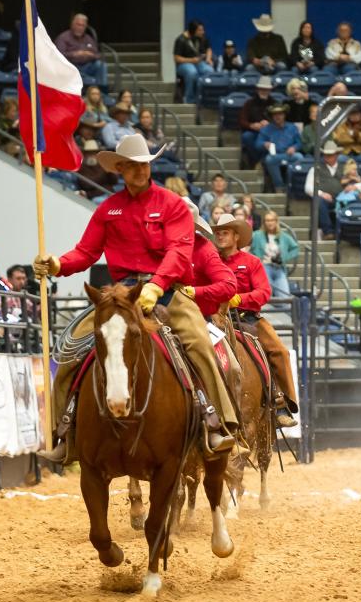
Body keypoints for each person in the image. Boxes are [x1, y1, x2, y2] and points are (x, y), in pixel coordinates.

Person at [33, 133, 238, 461]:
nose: (139, 170)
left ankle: (218, 425)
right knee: (68, 351)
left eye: (143, 164)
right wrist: (57, 264)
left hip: (168, 292)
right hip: (120, 294)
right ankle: (64, 431)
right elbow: (86, 252)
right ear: (120, 169)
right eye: (132, 166)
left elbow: (179, 251)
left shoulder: (172, 205)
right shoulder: (108, 210)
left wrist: (157, 285)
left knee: (200, 345)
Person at [208, 213, 298, 427]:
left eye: (225, 233)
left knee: (278, 351)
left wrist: (240, 299)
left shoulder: (251, 262)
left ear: (236, 236)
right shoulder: (210, 260)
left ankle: (280, 401)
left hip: (247, 318)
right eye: (218, 233)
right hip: (215, 318)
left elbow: (264, 292)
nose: (220, 237)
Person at [250, 210, 297, 298]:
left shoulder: (283, 236)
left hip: (279, 268)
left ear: (276, 221)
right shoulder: (257, 235)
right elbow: (247, 248)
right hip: (264, 267)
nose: (270, 223)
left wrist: (284, 257)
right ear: (264, 222)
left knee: (284, 297)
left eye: (272, 220)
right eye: (267, 220)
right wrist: (256, 259)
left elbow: (295, 248)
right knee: (266, 294)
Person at [305, 141, 345, 239]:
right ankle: (328, 231)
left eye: (331, 155)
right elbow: (308, 187)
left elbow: (360, 182)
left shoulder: (345, 167)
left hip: (343, 198)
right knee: (318, 200)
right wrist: (322, 194)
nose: (328, 157)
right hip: (325, 199)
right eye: (326, 155)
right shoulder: (316, 168)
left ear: (337, 155)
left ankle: (348, 232)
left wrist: (354, 187)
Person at [256, 105, 301, 192]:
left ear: (284, 115)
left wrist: (294, 147)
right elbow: (257, 144)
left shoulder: (292, 127)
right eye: (275, 114)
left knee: (299, 157)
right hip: (275, 156)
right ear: (272, 116)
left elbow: (299, 143)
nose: (278, 116)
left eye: (280, 114)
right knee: (269, 159)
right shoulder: (266, 129)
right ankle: (279, 187)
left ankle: (292, 185)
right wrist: (264, 144)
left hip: (289, 154)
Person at [55, 14, 106, 88]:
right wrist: (75, 54)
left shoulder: (88, 38)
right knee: (84, 77)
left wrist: (90, 55)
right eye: (78, 24)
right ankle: (92, 85)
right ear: (72, 24)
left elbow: (97, 55)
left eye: (83, 25)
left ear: (85, 27)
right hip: (71, 67)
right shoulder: (63, 37)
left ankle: (102, 90)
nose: (80, 27)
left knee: (101, 65)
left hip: (87, 66)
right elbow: (58, 55)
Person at [173, 20, 214, 104]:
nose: (202, 32)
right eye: (200, 30)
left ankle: (204, 97)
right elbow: (176, 58)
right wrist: (191, 60)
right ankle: (189, 99)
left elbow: (208, 49)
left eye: (203, 30)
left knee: (209, 70)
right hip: (183, 64)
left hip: (198, 62)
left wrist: (208, 59)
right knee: (192, 72)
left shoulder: (201, 37)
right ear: (193, 30)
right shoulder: (181, 40)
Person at [238, 76, 275, 167]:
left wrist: (269, 124)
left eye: (266, 89)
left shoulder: (274, 103)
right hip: (254, 132)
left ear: (270, 90)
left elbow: (279, 121)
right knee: (247, 136)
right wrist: (251, 125)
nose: (264, 91)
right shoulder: (249, 103)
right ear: (258, 89)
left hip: (270, 133)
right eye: (262, 89)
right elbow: (242, 120)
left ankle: (259, 162)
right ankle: (258, 161)